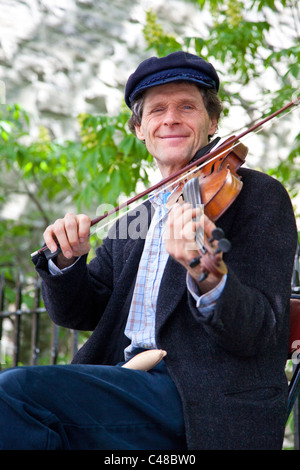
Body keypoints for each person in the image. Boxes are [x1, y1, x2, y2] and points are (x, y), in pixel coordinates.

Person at [0, 51, 298, 450]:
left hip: (203, 400)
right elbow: (78, 312)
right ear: (140, 129)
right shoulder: (135, 217)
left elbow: (258, 331)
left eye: (186, 106)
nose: (171, 118)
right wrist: (66, 260)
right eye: (157, 110)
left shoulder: (257, 196)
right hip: (125, 382)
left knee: (14, 392)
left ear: (212, 121)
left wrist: (206, 271)